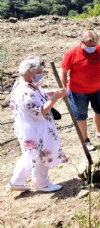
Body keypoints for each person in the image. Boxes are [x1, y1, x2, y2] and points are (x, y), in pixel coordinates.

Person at [9, 57, 68, 193]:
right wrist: (55, 98)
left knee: (33, 155)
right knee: (38, 155)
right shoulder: (25, 92)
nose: (41, 75)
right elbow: (40, 110)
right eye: (39, 72)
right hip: (34, 130)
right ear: (29, 73)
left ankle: (19, 182)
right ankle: (41, 184)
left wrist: (52, 93)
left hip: (31, 128)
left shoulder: (23, 84)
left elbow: (38, 94)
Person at [60, 30, 100, 151]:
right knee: (81, 116)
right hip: (77, 92)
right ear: (82, 42)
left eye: (94, 46)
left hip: (97, 88)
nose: (92, 48)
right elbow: (64, 73)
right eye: (89, 46)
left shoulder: (99, 49)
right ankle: (85, 139)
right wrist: (64, 91)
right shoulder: (72, 53)